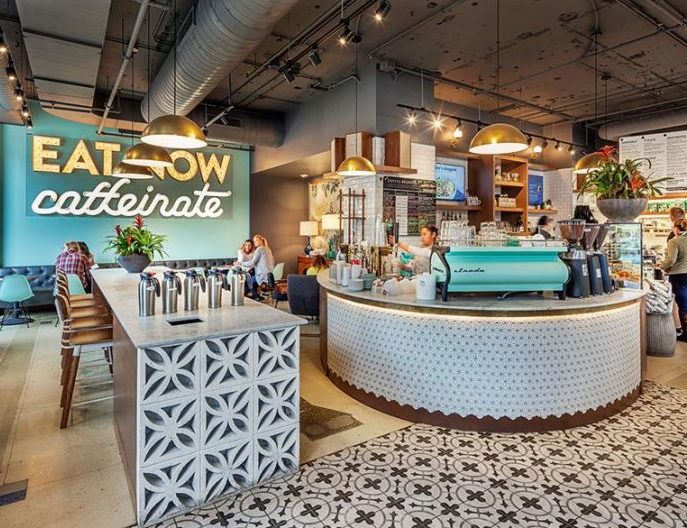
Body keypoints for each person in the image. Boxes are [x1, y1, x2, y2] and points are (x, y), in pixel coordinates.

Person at [660, 219, 687, 342]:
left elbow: (671, 260)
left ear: (677, 229)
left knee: (682, 304)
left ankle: (684, 334)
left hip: (679, 276)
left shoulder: (674, 241)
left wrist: (661, 266)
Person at [238, 234, 275, 300]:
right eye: (254, 241)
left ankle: (252, 297)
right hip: (269, 275)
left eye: (256, 241)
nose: (254, 243)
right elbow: (273, 262)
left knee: (249, 281)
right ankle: (255, 296)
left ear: (260, 241)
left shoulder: (259, 249)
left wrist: (240, 263)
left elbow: (252, 262)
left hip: (262, 275)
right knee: (251, 280)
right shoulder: (268, 249)